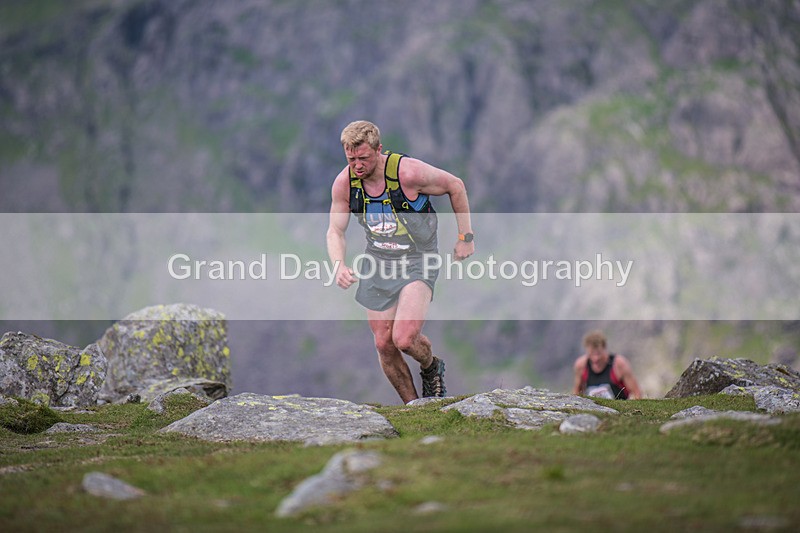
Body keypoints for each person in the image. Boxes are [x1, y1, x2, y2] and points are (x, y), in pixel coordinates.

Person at [327, 120, 474, 404]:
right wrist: (338, 265)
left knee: (404, 338)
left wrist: (465, 237)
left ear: (379, 150)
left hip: (419, 258)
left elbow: (455, 185)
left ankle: (431, 367)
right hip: (378, 262)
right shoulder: (345, 183)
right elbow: (335, 230)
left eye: (364, 158)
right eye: (351, 159)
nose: (357, 165)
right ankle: (415, 407)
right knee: (384, 343)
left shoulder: (408, 172)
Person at [573, 330, 642, 400]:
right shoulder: (581, 365)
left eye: (598, 354)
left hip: (619, 408)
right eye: (592, 354)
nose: (595, 359)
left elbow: (636, 392)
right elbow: (577, 392)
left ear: (604, 348)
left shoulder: (619, 364)